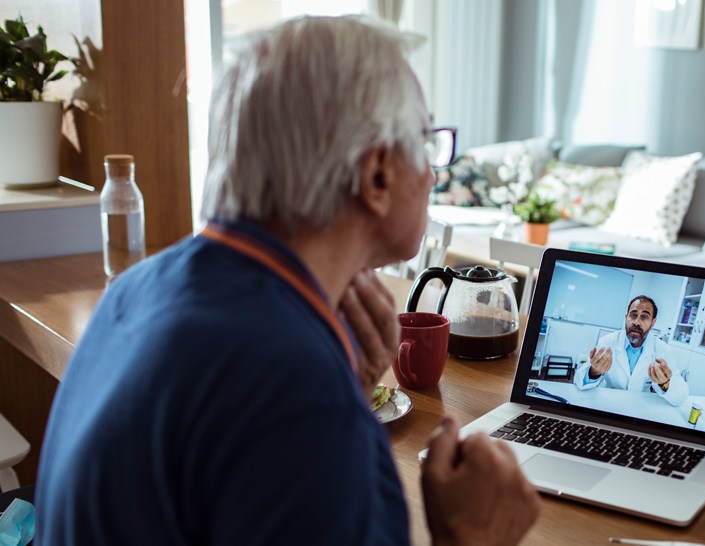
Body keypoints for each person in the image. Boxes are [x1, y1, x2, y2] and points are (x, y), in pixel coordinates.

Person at [35, 16, 539, 546]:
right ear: (377, 176)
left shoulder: (137, 289)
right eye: (426, 142)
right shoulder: (296, 391)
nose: (435, 173)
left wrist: (344, 387)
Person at [573, 295, 689, 406]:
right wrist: (594, 371)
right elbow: (579, 381)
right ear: (626, 317)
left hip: (640, 409)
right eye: (633, 315)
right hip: (608, 404)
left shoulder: (662, 349)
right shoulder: (607, 342)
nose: (636, 322)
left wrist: (665, 383)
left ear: (653, 322)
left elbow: (680, 397)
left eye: (644, 317)